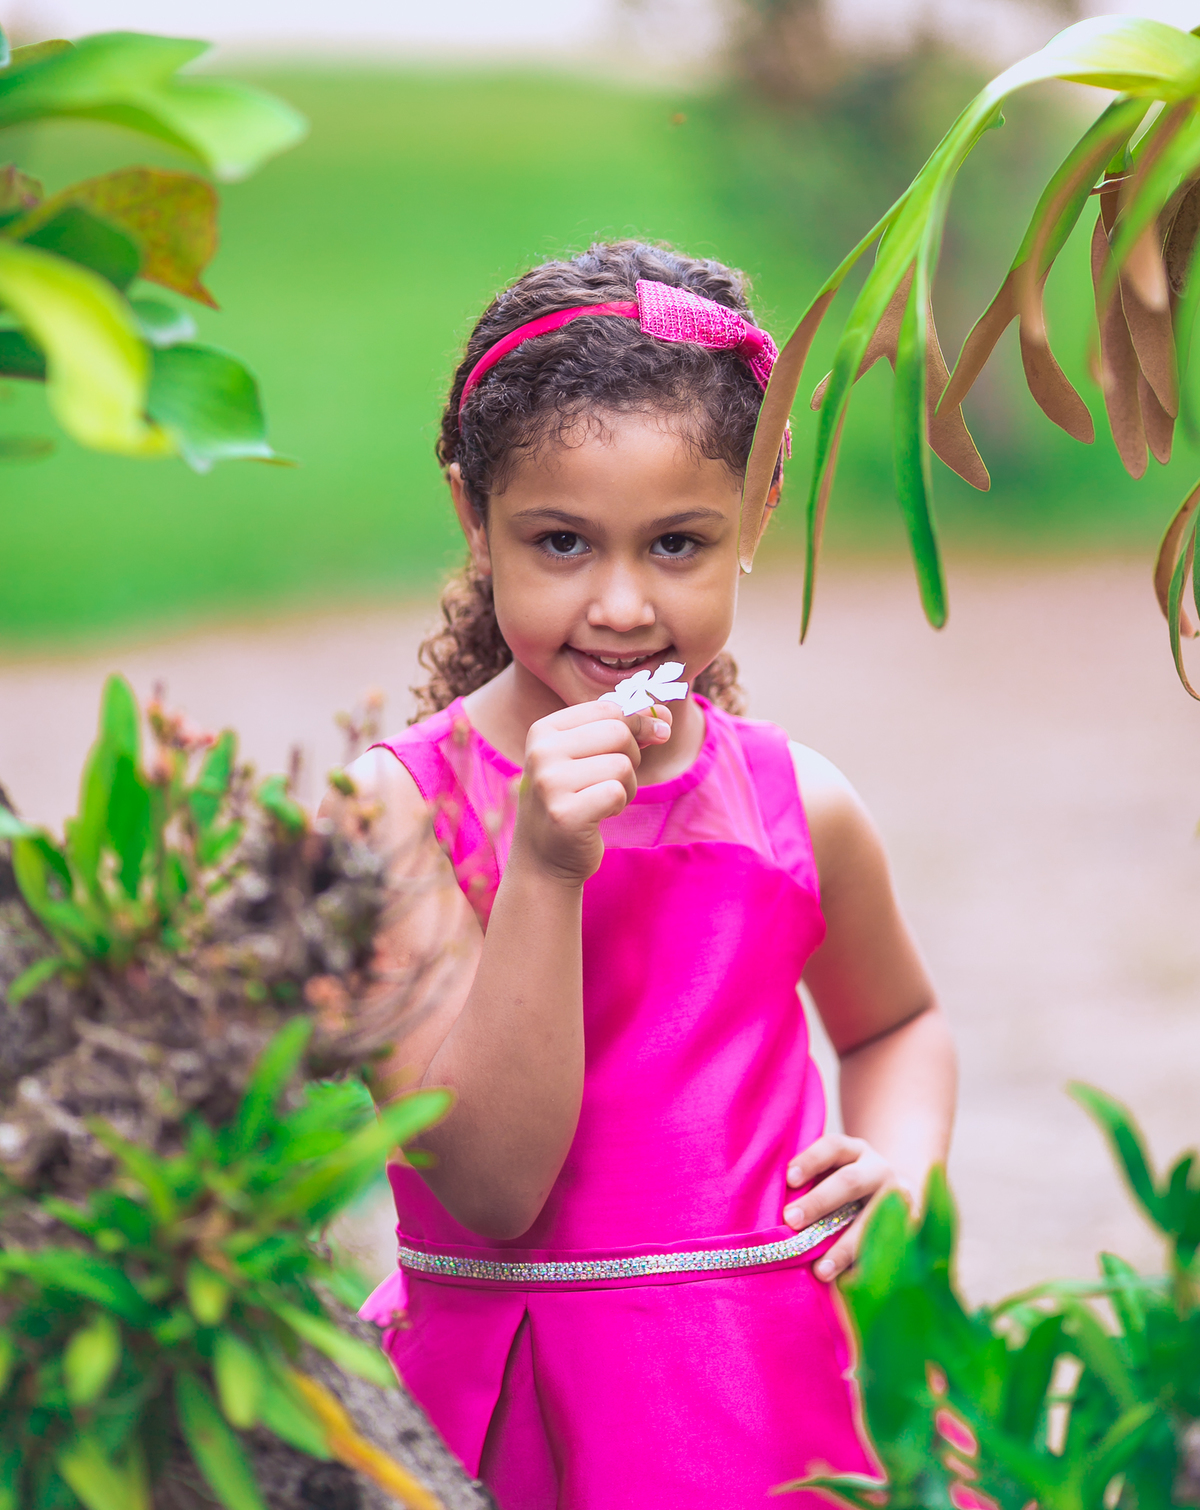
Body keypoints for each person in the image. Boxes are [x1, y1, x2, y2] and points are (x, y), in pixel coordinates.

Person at [335, 241, 957, 1508]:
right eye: (561, 541)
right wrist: (544, 866)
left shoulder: (795, 805)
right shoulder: (393, 814)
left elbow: (896, 1023)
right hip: (517, 1404)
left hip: (777, 1398)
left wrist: (903, 1171)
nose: (620, 605)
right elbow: (493, 1185)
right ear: (474, 516)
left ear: (760, 510)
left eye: (678, 543)